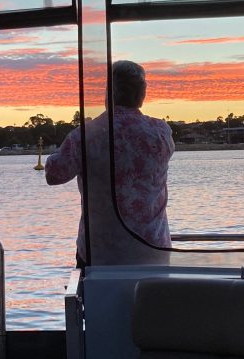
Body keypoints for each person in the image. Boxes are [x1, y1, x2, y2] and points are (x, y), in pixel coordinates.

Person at [46, 60, 175, 266]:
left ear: (108, 92)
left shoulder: (87, 135)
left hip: (101, 253)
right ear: (142, 94)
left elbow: (54, 175)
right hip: (153, 250)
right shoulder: (160, 132)